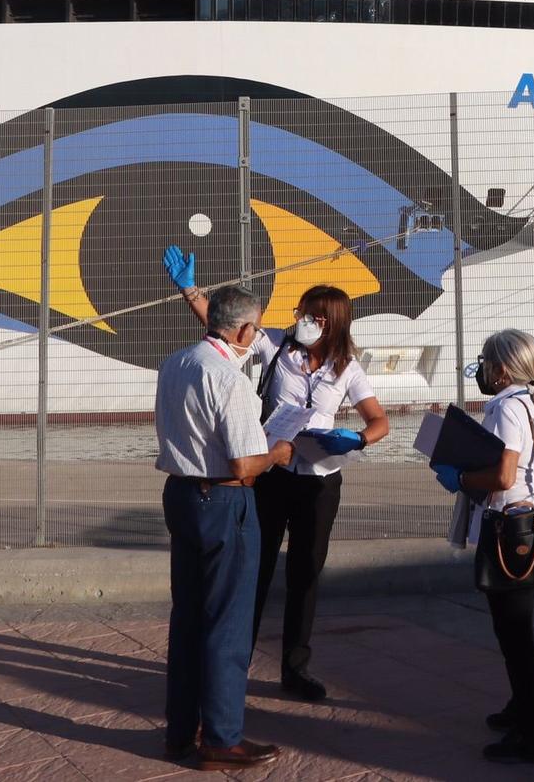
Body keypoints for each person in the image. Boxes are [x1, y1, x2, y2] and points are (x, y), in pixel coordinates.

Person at [164, 250, 390, 700]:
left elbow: (379, 421)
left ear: (332, 324)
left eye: (312, 316)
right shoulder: (276, 347)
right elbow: (224, 324)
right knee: (256, 568)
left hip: (320, 479)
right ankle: (236, 662)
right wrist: (190, 290)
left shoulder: (348, 368)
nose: (302, 319)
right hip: (271, 474)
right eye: (301, 312)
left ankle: (295, 667)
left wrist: (357, 440)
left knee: (306, 572)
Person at [153, 282, 289, 771]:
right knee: (227, 625)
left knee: (188, 618)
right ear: (246, 329)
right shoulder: (230, 379)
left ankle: (179, 730)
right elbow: (244, 464)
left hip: (181, 493)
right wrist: (279, 450)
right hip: (224, 500)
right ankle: (221, 736)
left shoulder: (178, 362)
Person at [432, 328, 534, 765]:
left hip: (509, 532)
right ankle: (521, 708)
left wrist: (460, 479)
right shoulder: (527, 402)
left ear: (501, 368)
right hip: (527, 527)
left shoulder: (506, 408)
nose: (481, 368)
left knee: (514, 634)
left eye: (485, 360)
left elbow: (503, 478)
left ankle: (533, 732)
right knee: (516, 631)